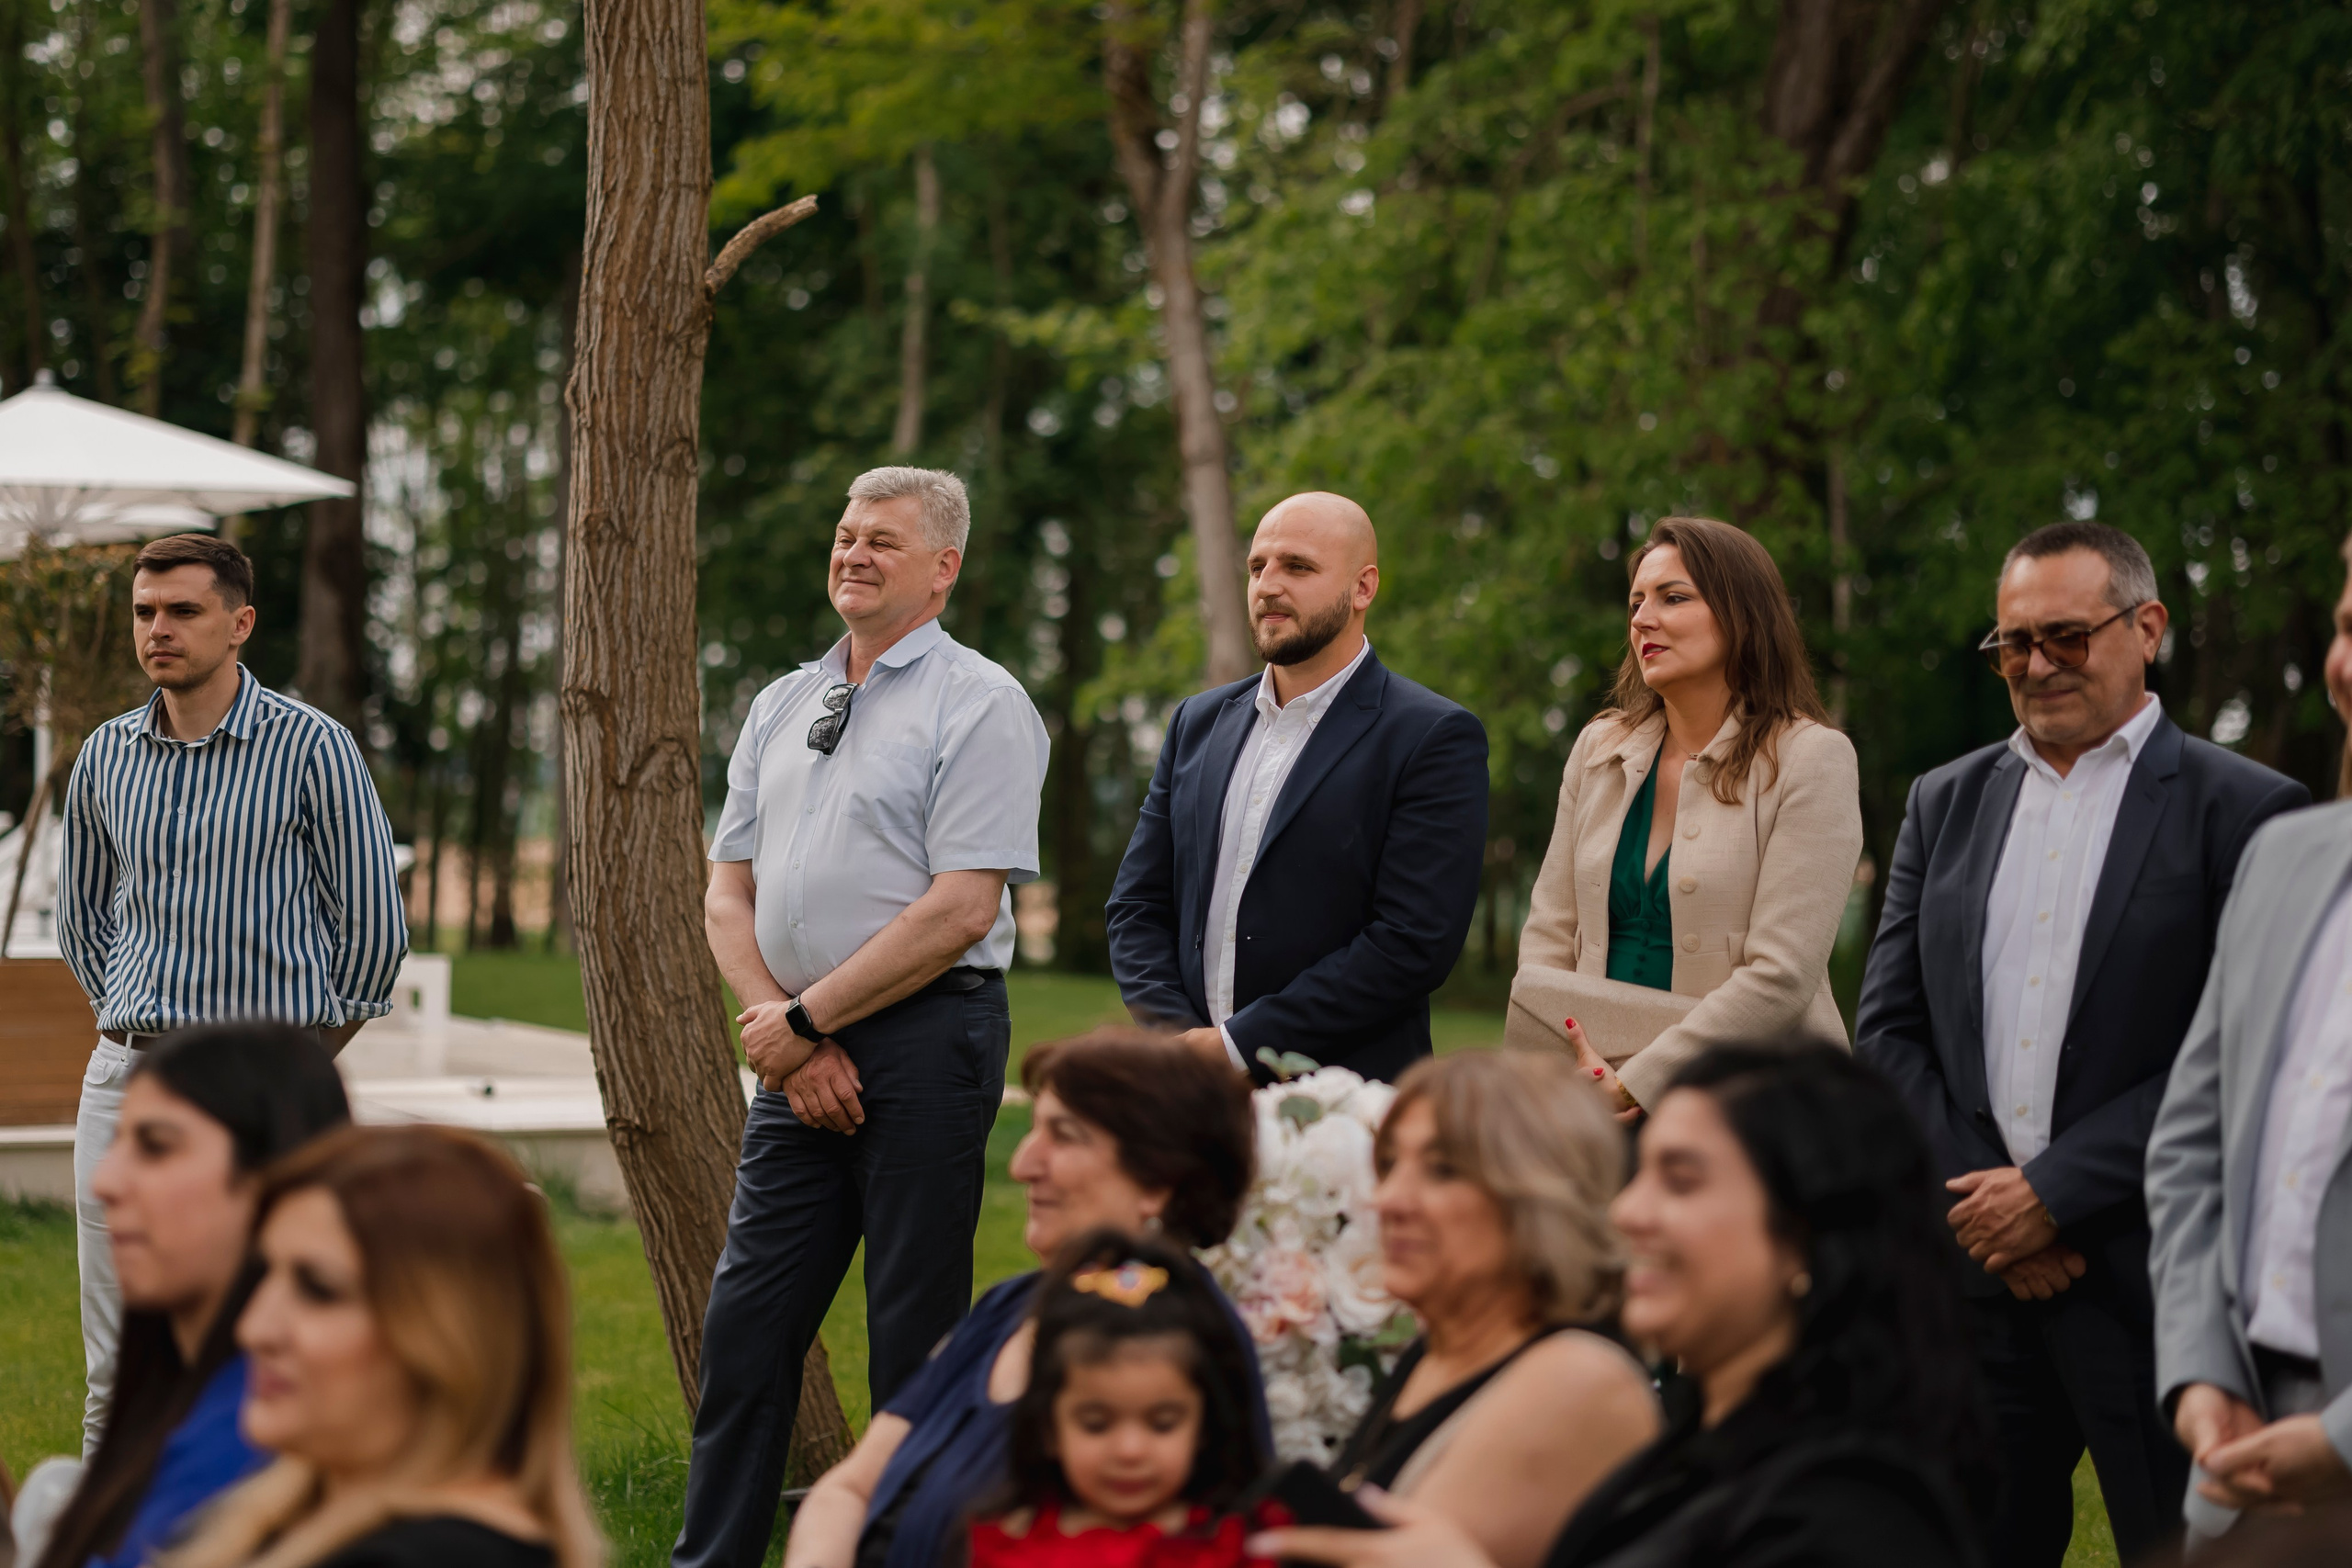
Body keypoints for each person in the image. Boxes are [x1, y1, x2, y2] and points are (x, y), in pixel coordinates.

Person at [1855, 519, 2308, 1566]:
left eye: (2066, 635)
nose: (2036, 664)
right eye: (2012, 643)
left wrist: (2053, 1194)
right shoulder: (1943, 801)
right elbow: (1888, 1029)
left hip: (2157, 1280)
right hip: (1975, 1283)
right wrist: (1989, 1206)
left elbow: (2251, 1051)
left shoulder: (2245, 811)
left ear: (2146, 627)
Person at [679, 467, 1050, 1568]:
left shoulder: (981, 703)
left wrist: (803, 1018)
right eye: (845, 534)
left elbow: (959, 908)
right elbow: (724, 892)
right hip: (794, 1052)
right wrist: (784, 1035)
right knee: (745, 1337)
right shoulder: (780, 702)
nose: (853, 553)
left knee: (913, 1343)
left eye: (883, 541)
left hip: (931, 1042)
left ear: (942, 571)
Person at [1253, 1047, 1993, 1568]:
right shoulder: (1705, 1452)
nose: (1630, 1212)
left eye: (1681, 1180)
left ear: (1804, 1235)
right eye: (1639, 1177)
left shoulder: (1860, 1512)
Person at [56, 531, 407, 1450]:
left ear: (239, 623)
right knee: (120, 1370)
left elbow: (373, 934)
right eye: (144, 613)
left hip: (262, 1094)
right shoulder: (105, 757)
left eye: (182, 611)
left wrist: (291, 1062)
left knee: (262, 1353)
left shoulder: (311, 749)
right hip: (124, 1084)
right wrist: (134, 1017)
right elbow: (83, 921)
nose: (158, 630)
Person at [782, 1030, 1267, 1568]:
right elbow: (849, 1489)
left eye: (1064, 1136)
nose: (1023, 1165)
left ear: (1159, 1177)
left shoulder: (1182, 1340)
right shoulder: (1008, 1307)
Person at [1104, 491, 1487, 1085]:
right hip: (1188, 1096)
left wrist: (1236, 1046)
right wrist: (1177, 1041)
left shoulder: (1431, 735)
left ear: (1363, 588)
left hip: (1345, 1103)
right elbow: (1138, 905)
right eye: (1258, 566)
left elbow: (1412, 942)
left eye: (1298, 567)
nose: (1267, 585)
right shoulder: (1196, 723)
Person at [1514, 517, 1861, 1119]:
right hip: (1587, 1096)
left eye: (1673, 597)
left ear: (1743, 614)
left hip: (1756, 1105)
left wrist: (1640, 1082)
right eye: (1636, 602)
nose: (1642, 619)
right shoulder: (1599, 748)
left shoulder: (1813, 758)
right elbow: (1547, 935)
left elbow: (1780, 975)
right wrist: (1563, 1064)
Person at [2145, 536, 2352, 1544]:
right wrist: (2198, 1370)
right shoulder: (2284, 856)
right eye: (2351, 627)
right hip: (2235, 1449)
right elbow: (2190, 1145)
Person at [168, 1124, 600, 1568]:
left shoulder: (428, 1558)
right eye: (263, 1277)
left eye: (319, 1290)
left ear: (446, 1335)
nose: (254, 1329)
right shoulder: (308, 1515)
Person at [28, 1024, 351, 1568]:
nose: (106, 1182)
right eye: (120, 1144)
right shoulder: (179, 1401)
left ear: (266, 1175)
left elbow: (375, 949)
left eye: (156, 1148)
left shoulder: (262, 1430)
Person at [1327, 1052, 1657, 1568]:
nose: (1388, 1199)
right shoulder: (1443, 1350)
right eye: (1390, 1164)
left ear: (1542, 1196)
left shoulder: (1575, 1383)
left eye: (1441, 1170)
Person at [967, 1229, 1276, 1568]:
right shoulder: (1007, 1549)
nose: (1130, 1451)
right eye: (1096, 1425)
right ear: (1048, 1428)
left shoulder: (1245, 1546)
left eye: (1163, 1425)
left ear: (1204, 1425)